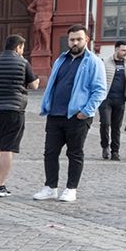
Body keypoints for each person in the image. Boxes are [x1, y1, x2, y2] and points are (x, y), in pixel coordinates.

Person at [33, 24, 107, 202]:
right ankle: (50, 187)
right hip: (55, 114)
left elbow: (100, 90)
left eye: (79, 39)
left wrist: (86, 111)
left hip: (77, 116)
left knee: (75, 153)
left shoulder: (94, 62)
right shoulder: (61, 59)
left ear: (86, 40)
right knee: (50, 152)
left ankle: (71, 188)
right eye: (72, 39)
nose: (75, 42)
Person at [0, 35, 38, 197]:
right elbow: (33, 85)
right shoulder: (23, 63)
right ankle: (1, 186)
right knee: (7, 149)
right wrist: (36, 78)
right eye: (22, 48)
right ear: (18, 47)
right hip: (14, 110)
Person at [97, 43, 126, 160]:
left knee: (116, 127)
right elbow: (97, 78)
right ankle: (105, 146)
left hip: (120, 99)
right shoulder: (104, 62)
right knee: (105, 123)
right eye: (123, 50)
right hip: (105, 99)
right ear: (116, 49)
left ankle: (115, 151)